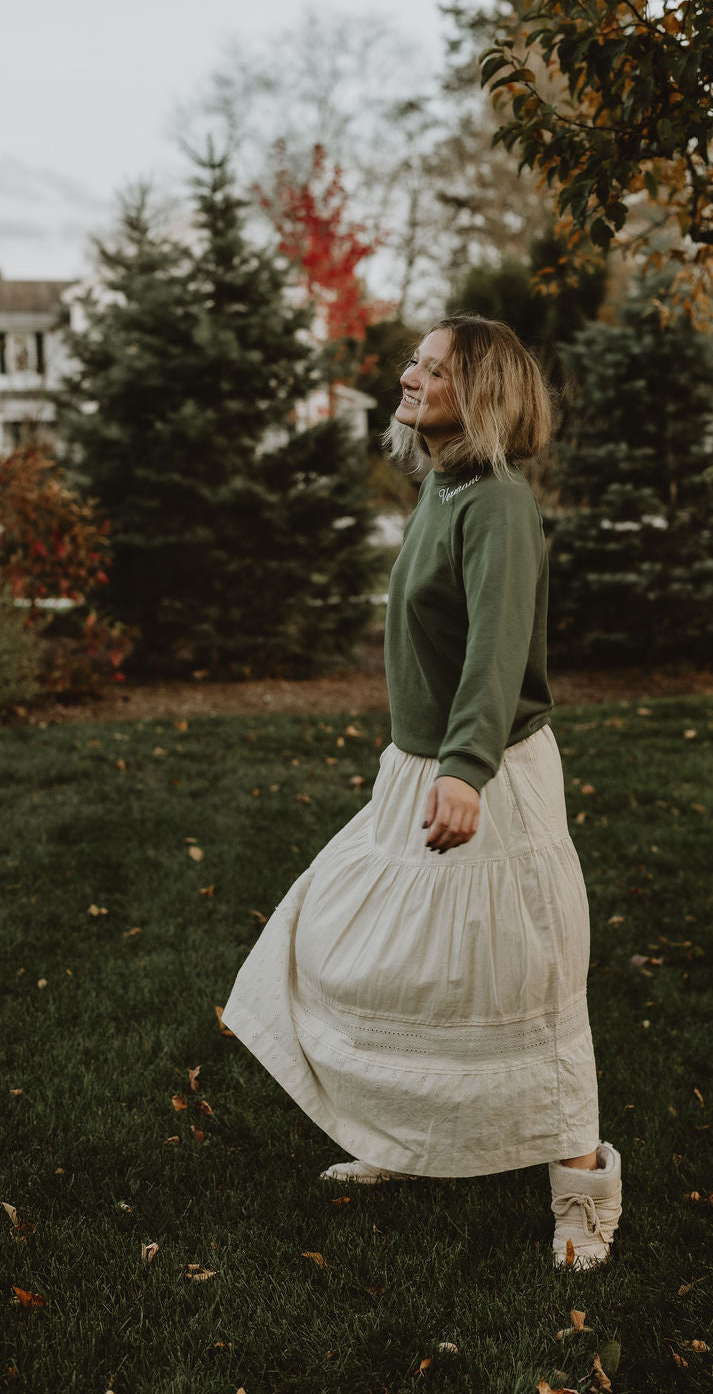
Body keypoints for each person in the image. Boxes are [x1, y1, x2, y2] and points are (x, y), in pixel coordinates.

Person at [222, 315, 621, 1267]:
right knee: (388, 959)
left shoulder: (498, 504)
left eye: (433, 368)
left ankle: (584, 1192)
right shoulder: (443, 487)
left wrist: (464, 769)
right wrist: (431, 764)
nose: (409, 375)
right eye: (416, 361)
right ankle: (402, 1136)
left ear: (480, 392)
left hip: (486, 774)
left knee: (527, 978)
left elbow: (495, 647)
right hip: (424, 767)